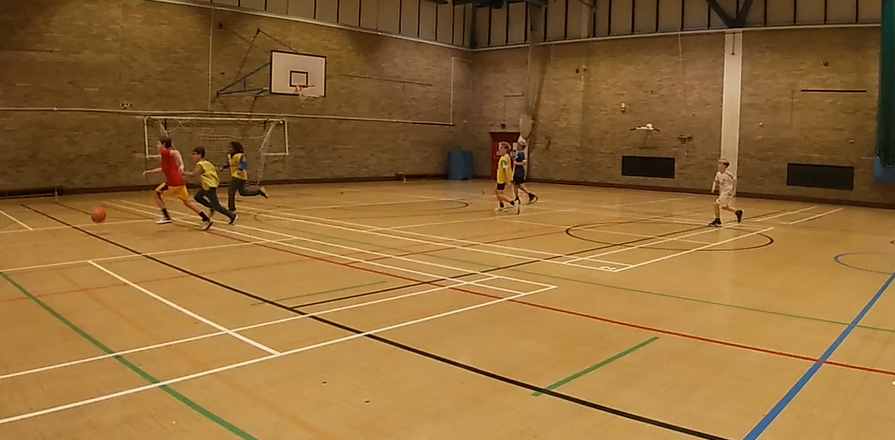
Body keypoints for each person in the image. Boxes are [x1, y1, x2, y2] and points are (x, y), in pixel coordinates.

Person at [142, 137, 213, 230]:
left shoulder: (165, 151)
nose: (157, 145)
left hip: (173, 182)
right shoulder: (165, 157)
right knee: (187, 202)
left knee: (156, 194)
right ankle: (206, 219)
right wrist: (150, 171)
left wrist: (181, 164)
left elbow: (176, 152)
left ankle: (166, 216)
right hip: (179, 181)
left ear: (163, 145)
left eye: (158, 143)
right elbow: (163, 169)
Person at [184, 147, 238, 225]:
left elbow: (194, 173)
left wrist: (183, 173)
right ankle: (211, 206)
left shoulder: (201, 164)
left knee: (217, 205)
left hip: (209, 185)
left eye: (195, 154)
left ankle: (232, 216)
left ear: (200, 155)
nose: (193, 156)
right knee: (197, 196)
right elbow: (215, 170)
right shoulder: (207, 163)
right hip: (207, 185)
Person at [220, 141, 268, 213]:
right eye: (229, 147)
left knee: (231, 191)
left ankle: (232, 209)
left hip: (238, 175)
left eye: (231, 147)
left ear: (236, 148)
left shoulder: (240, 155)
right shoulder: (229, 156)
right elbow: (229, 163)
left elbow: (244, 164)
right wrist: (223, 167)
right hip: (238, 176)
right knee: (243, 192)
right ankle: (259, 191)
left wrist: (240, 169)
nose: (229, 149)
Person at [709, 158, 744, 226]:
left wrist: (733, 191)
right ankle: (737, 212)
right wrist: (713, 187)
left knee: (716, 205)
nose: (719, 166)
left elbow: (734, 181)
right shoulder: (718, 173)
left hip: (727, 192)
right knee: (724, 207)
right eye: (718, 164)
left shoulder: (728, 174)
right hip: (722, 192)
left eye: (720, 164)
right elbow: (715, 181)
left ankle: (717, 220)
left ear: (724, 166)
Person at [511, 138, 538, 205]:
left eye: (518, 145)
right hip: (517, 171)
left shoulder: (521, 154)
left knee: (515, 185)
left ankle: (517, 198)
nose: (517, 146)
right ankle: (529, 194)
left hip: (519, 172)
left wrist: (516, 163)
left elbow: (524, 163)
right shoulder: (518, 153)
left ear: (520, 146)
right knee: (517, 185)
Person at [495, 142, 518, 214]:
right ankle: (501, 206)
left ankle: (513, 203)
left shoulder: (504, 159)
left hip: (502, 179)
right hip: (500, 178)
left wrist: (508, 181)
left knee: (499, 194)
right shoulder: (505, 157)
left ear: (505, 149)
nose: (500, 150)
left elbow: (506, 170)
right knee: (496, 191)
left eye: (501, 148)